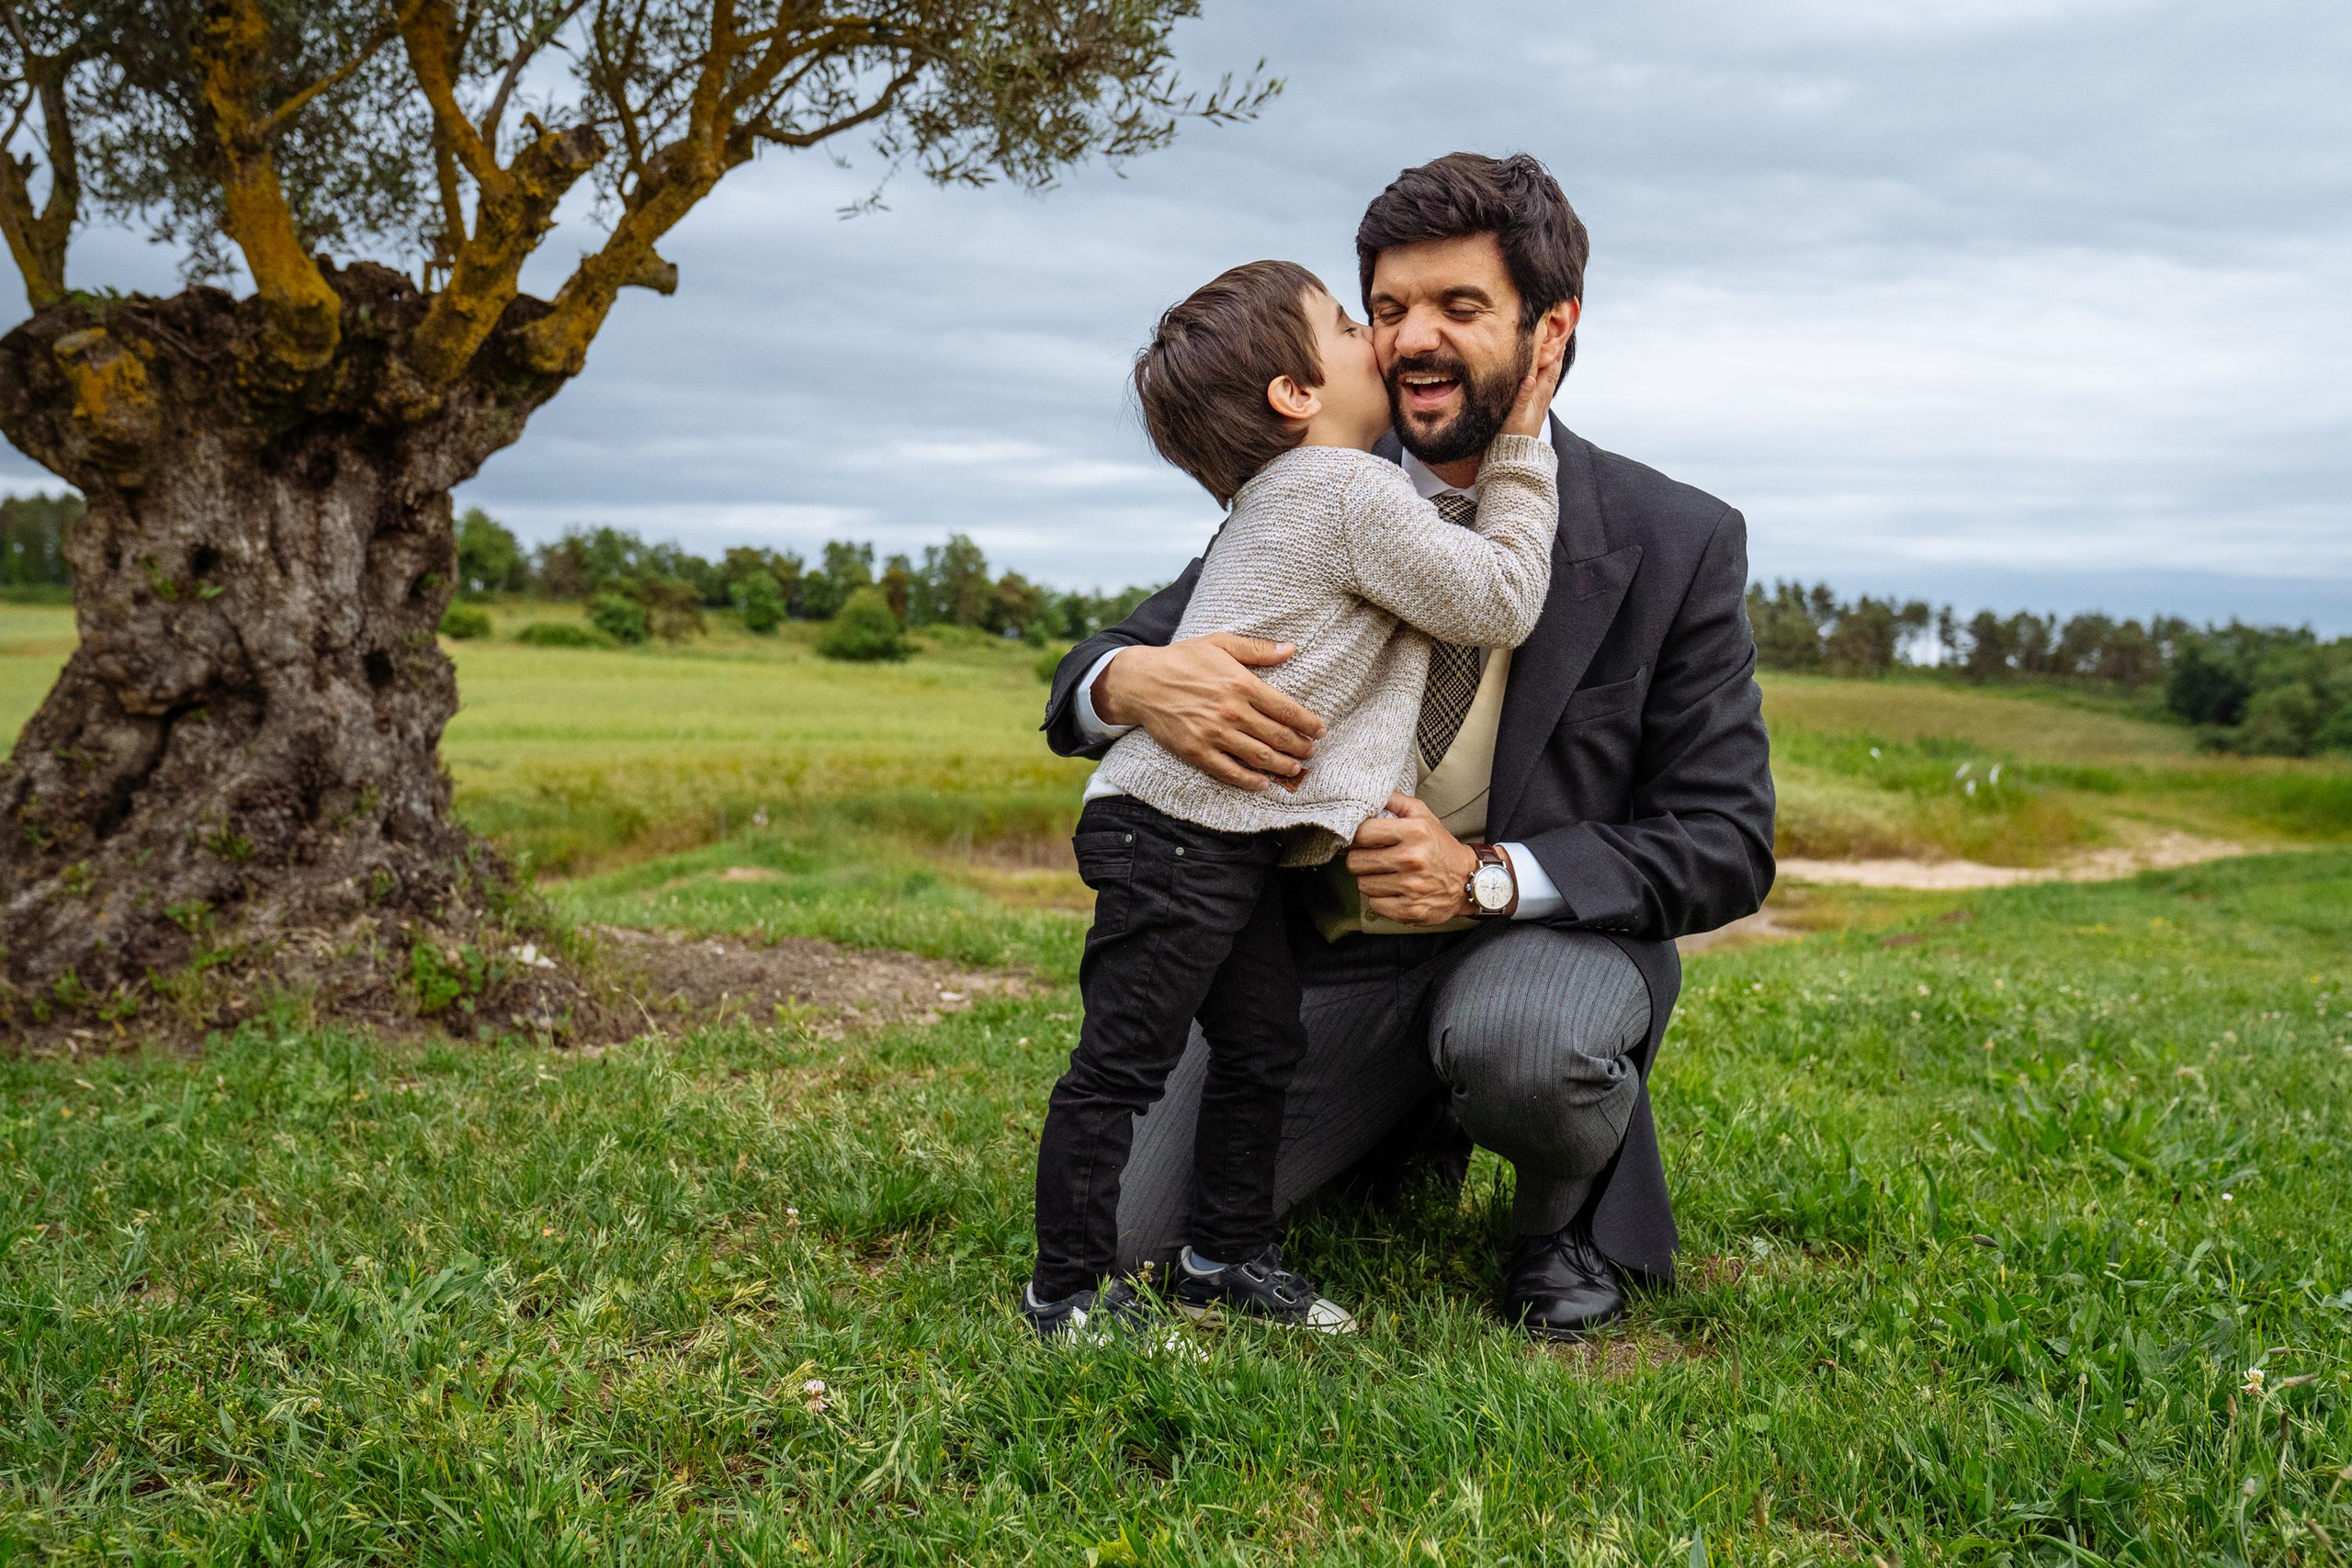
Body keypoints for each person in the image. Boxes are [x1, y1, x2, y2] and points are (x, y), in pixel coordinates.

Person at [1041, 152, 1776, 1340]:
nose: (1409, 340)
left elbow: (1726, 843)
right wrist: (1133, 681)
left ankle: (1558, 1225)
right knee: (1136, 1227)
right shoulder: (1316, 484)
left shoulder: (1678, 538)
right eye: (1384, 311)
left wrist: (1483, 878)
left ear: (1552, 329)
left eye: (1459, 308)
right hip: (1322, 953)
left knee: (1526, 1040)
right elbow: (1102, 659)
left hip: (1526, 946)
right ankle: (1379, 1136)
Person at [1023, 258, 1565, 1340]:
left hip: (1230, 835)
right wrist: (1521, 452)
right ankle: (1067, 1295)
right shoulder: (1346, 487)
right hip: (1180, 832)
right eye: (1344, 319)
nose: (1376, 332)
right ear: (1294, 394)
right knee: (1122, 1061)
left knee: (1261, 1042)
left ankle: (1222, 1255)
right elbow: (1499, 597)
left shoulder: (1279, 496)